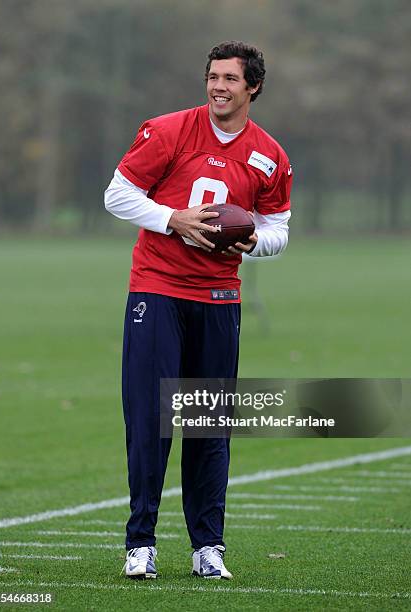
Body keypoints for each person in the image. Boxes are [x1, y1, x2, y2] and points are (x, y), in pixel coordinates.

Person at [104, 40, 293, 580]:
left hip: (218, 298)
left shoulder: (270, 156)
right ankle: (140, 543)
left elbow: (279, 230)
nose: (218, 87)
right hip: (157, 290)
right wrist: (173, 220)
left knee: (210, 425)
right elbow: (118, 195)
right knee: (149, 422)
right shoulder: (167, 131)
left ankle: (208, 547)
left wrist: (252, 242)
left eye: (230, 79)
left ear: (252, 86)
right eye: (213, 77)